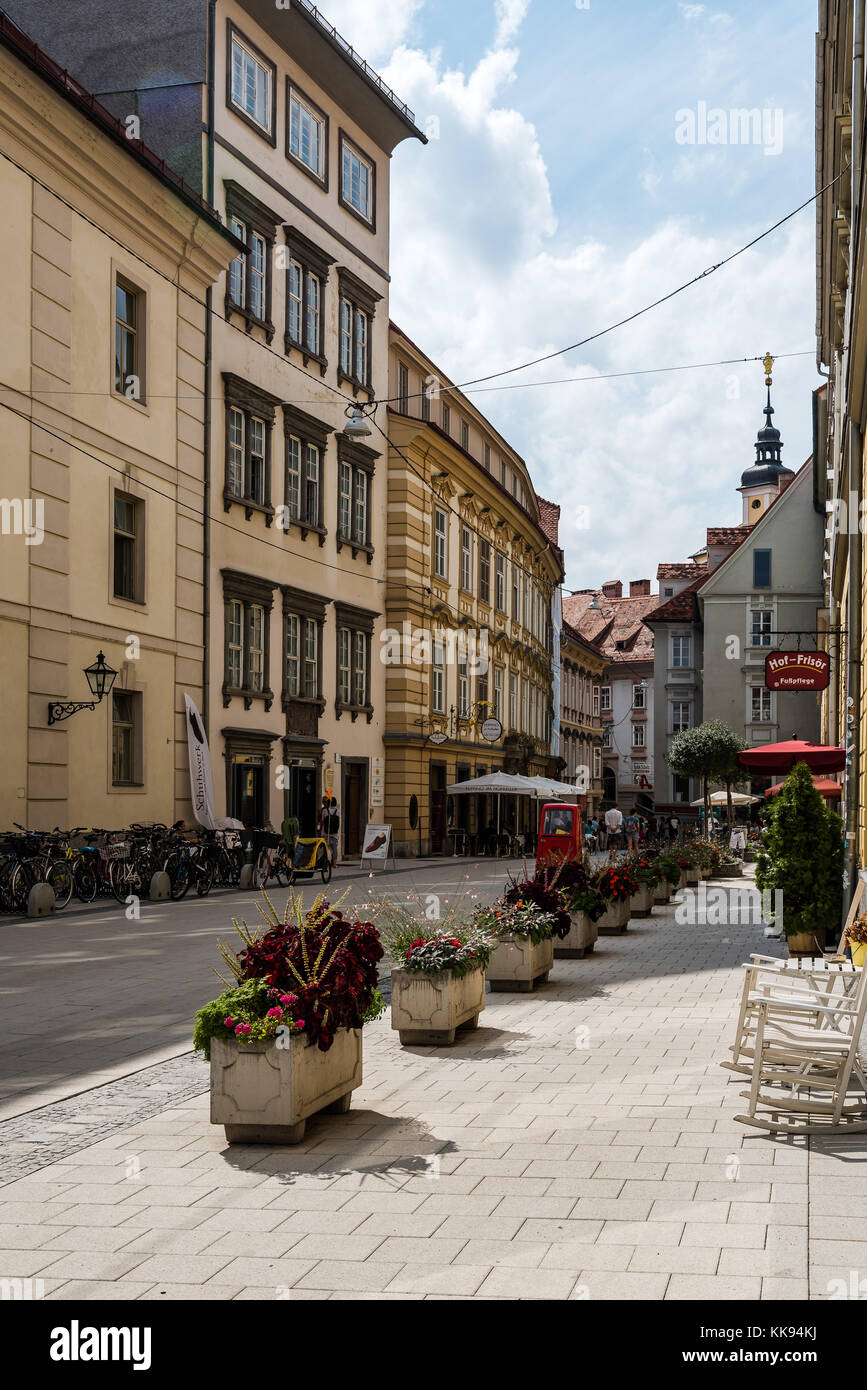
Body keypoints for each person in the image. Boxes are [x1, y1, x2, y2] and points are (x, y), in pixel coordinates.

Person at [325, 796, 340, 865]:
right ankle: (334, 863)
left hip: (326, 833)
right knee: (334, 849)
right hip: (334, 834)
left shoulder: (325, 811)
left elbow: (322, 820)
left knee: (326, 849)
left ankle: (326, 863)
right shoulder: (338, 811)